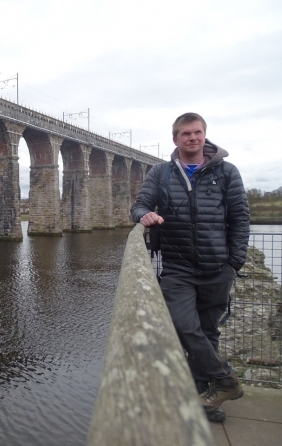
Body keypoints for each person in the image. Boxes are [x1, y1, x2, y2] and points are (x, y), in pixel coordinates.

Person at [131, 112, 250, 423]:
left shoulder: (227, 173)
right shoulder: (160, 173)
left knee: (208, 331)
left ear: (205, 136)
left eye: (197, 132)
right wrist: (145, 215)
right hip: (177, 267)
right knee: (183, 326)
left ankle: (206, 398)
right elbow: (139, 204)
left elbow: (239, 219)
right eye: (185, 134)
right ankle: (225, 379)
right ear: (176, 139)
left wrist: (234, 263)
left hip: (218, 267)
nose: (192, 138)